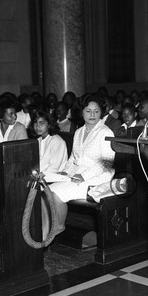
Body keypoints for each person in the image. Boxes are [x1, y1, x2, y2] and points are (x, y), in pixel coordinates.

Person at [47, 95, 115, 234]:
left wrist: (83, 176)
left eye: (96, 111)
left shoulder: (106, 132)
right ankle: (49, 226)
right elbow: (73, 158)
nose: (92, 115)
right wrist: (66, 172)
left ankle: (58, 226)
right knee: (46, 191)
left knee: (56, 193)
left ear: (101, 113)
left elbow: (106, 163)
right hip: (77, 177)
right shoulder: (79, 131)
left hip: (97, 180)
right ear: (82, 112)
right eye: (88, 111)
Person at [31, 109, 68, 239]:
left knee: (39, 196)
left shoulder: (57, 141)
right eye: (35, 123)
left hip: (54, 180)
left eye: (42, 123)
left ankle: (44, 235)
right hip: (41, 178)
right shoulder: (38, 140)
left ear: (49, 124)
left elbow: (53, 169)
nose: (37, 126)